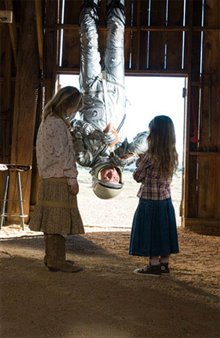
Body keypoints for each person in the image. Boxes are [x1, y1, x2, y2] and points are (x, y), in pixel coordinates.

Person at [70, 0, 148, 199]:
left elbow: (73, 125)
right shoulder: (120, 156)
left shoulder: (84, 158)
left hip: (91, 90)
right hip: (116, 88)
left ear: (98, 178)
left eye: (107, 179)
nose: (111, 175)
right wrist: (126, 154)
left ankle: (90, 4)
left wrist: (95, 134)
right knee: (116, 37)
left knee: (89, 40)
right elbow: (149, 137)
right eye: (115, 179)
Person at [29, 86, 84, 273]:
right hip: (59, 178)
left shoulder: (47, 121)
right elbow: (64, 155)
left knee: (52, 220)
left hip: (48, 177)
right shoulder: (58, 124)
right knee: (58, 221)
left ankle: (51, 257)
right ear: (67, 104)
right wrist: (72, 178)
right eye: (74, 107)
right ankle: (56, 261)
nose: (74, 111)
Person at [129, 115, 179, 276]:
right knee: (163, 231)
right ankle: (164, 264)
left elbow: (137, 177)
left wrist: (139, 163)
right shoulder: (172, 154)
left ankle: (153, 265)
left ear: (154, 135)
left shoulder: (149, 156)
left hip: (149, 201)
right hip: (165, 200)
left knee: (150, 231)